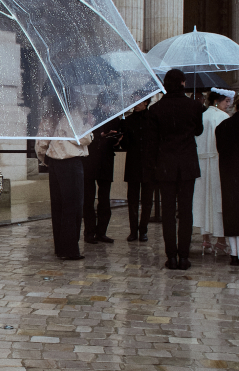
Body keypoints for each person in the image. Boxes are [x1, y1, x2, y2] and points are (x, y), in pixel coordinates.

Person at [147, 68, 204, 270]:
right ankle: (184, 256)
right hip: (187, 163)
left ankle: (171, 256)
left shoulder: (155, 109)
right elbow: (198, 130)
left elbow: (152, 142)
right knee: (186, 211)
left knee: (168, 212)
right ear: (182, 83)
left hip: (165, 165)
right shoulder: (194, 106)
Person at [36, 109, 93, 260]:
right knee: (73, 206)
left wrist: (45, 159)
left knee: (58, 207)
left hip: (54, 162)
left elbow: (41, 143)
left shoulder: (48, 114)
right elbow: (83, 138)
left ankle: (60, 247)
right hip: (71, 163)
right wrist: (89, 125)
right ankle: (70, 249)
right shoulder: (73, 114)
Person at [192, 87, 234, 255]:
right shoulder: (224, 118)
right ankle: (221, 240)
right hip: (217, 164)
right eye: (226, 101)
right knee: (218, 201)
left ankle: (205, 238)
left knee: (203, 200)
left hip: (201, 163)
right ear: (217, 100)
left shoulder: (201, 116)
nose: (228, 105)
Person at [82, 118, 122, 244]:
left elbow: (118, 139)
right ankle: (89, 232)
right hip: (90, 160)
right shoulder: (88, 117)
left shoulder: (113, 119)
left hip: (105, 160)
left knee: (104, 198)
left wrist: (114, 138)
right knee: (88, 199)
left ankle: (101, 231)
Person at [120, 98, 154, 242]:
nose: (136, 105)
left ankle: (143, 229)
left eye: (139, 102)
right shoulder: (128, 120)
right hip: (133, 164)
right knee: (132, 199)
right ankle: (133, 230)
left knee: (147, 200)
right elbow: (125, 145)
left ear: (146, 103)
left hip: (148, 164)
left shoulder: (152, 119)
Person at [215, 92, 239, 267]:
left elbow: (221, 150)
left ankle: (234, 253)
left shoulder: (223, 126)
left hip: (229, 175)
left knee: (231, 212)